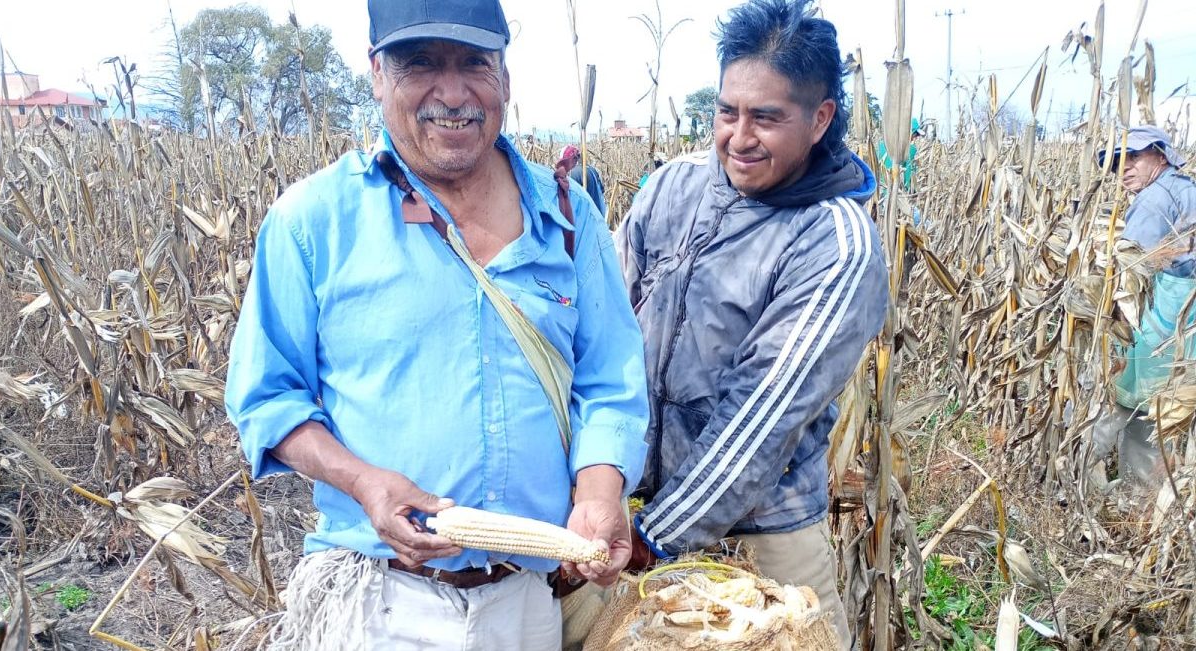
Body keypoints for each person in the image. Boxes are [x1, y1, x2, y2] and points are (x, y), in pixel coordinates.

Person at [224, 0, 649, 648]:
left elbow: (610, 380)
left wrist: (598, 491)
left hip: (526, 605)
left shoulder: (569, 217)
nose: (452, 93)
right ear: (377, 75)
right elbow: (266, 399)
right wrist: (364, 483)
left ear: (504, 77)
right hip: (378, 602)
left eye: (474, 64)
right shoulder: (311, 222)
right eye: (421, 63)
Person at [614, 0, 887, 645]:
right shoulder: (670, 188)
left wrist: (659, 535)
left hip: (764, 533)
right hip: (631, 508)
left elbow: (763, 413)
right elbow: (604, 331)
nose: (739, 137)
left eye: (766, 118)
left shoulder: (835, 241)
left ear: (820, 119)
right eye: (727, 112)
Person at [1098, 125, 1196, 483]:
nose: (1123, 168)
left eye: (1133, 157)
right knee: (1170, 401)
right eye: (1117, 162)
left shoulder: (1155, 200)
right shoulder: (1185, 188)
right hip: (1184, 315)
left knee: (1136, 399)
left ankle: (1130, 493)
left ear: (1161, 154)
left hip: (1162, 313)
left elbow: (1131, 267)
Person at [558, 144, 607, 216]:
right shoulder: (591, 169)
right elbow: (602, 191)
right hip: (598, 215)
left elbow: (570, 200)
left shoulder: (574, 173)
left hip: (586, 217)